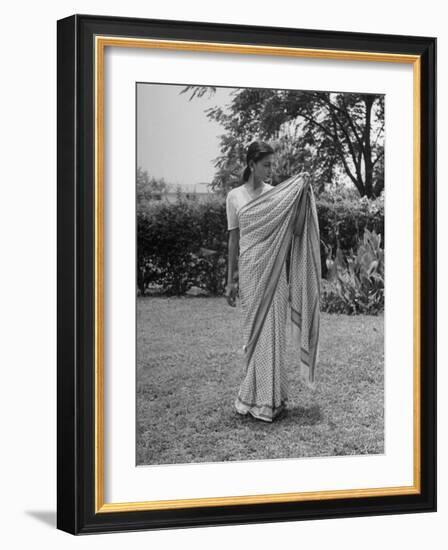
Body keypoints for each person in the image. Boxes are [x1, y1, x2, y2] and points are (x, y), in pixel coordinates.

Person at [225, 140, 321, 422]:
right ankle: (253, 396)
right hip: (251, 269)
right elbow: (233, 239)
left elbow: (298, 225)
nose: (270, 170)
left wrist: (303, 190)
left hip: (275, 271)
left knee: (274, 331)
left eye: (272, 165)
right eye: (266, 165)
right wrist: (230, 279)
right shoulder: (234, 197)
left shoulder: (277, 195)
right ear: (251, 164)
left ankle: (272, 399)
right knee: (254, 333)